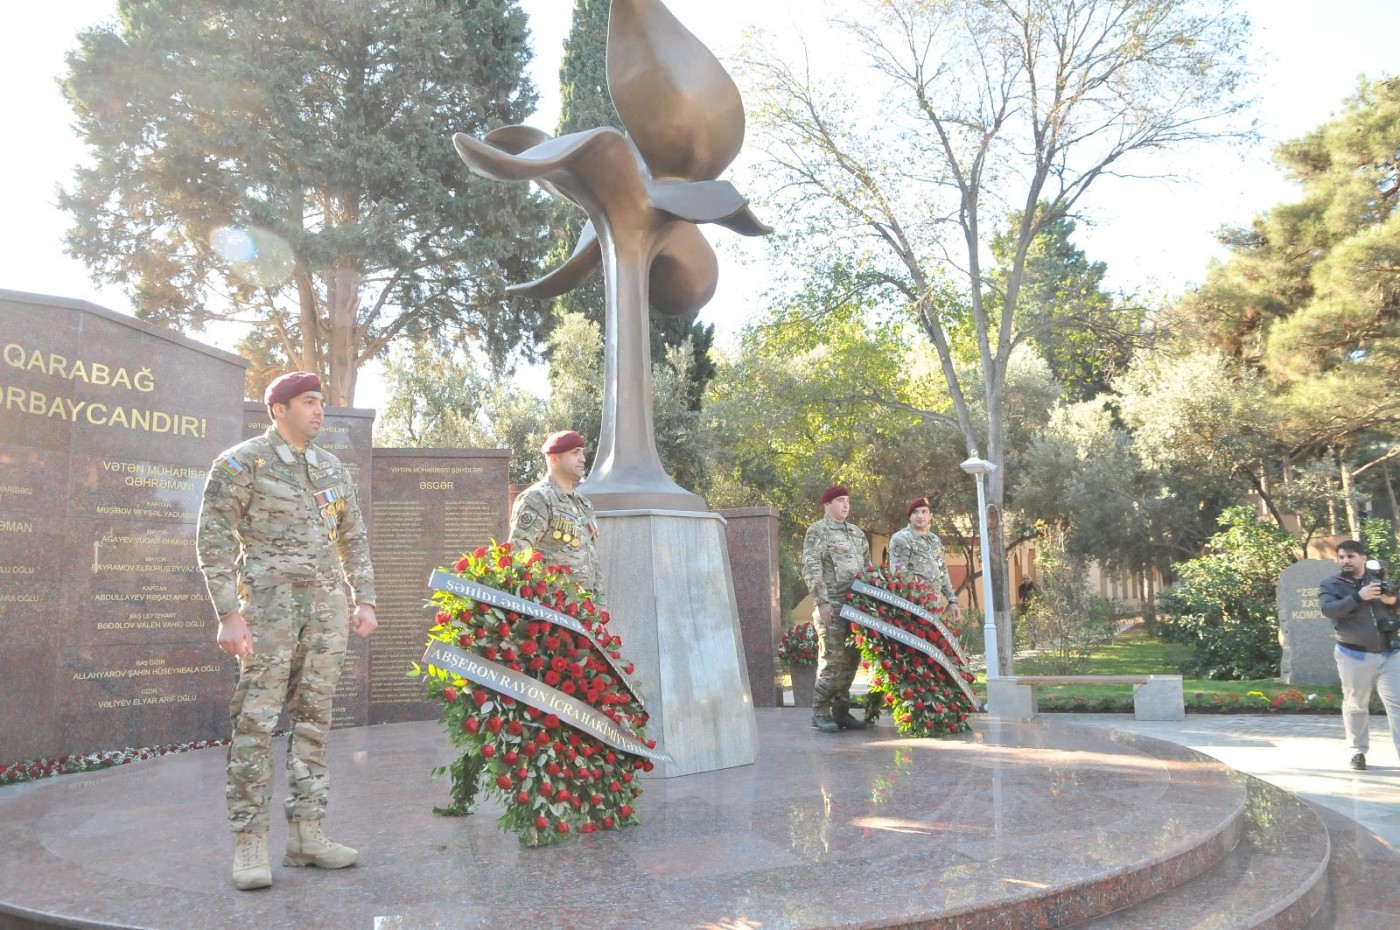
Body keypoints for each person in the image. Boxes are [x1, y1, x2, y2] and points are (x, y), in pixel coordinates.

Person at [197, 372, 377, 891]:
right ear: (278, 409)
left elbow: (354, 538)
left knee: (315, 721)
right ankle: (250, 841)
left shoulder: (331, 468)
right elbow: (214, 540)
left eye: (322, 402)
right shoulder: (241, 463)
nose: (320, 411)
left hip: (326, 611)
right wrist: (228, 612)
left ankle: (307, 834)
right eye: (308, 402)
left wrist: (363, 598)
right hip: (269, 611)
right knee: (255, 721)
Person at [1318, 539, 1399, 771]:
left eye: (1351, 556)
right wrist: (1358, 597)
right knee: (1356, 705)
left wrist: (1392, 600)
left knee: (1398, 704)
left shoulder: (1379, 581)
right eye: (1342, 557)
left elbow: (1396, 605)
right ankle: (1357, 751)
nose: (1346, 561)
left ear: (1363, 558)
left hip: (1390, 653)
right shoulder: (1331, 584)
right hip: (1354, 654)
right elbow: (1328, 609)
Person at [801, 485, 872, 733]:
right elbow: (812, 566)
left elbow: (867, 568)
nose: (845, 505)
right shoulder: (817, 531)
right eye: (840, 500)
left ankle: (841, 712)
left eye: (848, 501)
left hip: (856, 606)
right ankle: (819, 711)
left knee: (851, 660)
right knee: (832, 662)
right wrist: (822, 602)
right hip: (832, 605)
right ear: (827, 504)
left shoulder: (856, 533)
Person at [509, 430, 604, 597]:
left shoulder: (583, 504)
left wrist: (599, 606)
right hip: (553, 608)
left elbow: (593, 560)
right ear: (554, 458)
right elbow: (518, 555)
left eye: (582, 452)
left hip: (584, 609)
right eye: (575, 453)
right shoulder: (537, 499)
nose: (583, 459)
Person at [888, 497, 963, 625]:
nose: (920, 516)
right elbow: (899, 573)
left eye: (924, 512)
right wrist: (919, 597)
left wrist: (952, 601)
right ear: (910, 516)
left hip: (935, 607)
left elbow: (942, 571)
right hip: (912, 608)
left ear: (930, 516)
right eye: (915, 512)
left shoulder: (934, 540)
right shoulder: (901, 539)